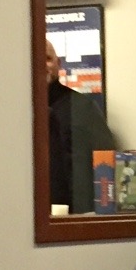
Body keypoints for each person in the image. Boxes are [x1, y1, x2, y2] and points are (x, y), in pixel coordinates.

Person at [45, 38, 115, 214]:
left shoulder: (82, 107)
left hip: (74, 214)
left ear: (58, 64)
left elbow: (105, 159)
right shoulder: (12, 111)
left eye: (47, 59)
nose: (41, 65)